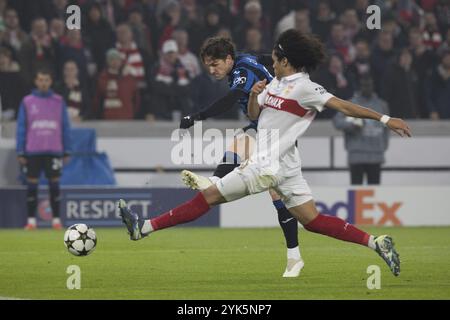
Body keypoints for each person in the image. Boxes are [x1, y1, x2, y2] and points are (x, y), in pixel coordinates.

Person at [119, 29, 412, 277]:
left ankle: (143, 227)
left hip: (265, 164)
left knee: (207, 197)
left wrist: (386, 120)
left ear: (286, 61)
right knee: (312, 220)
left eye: (274, 59)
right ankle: (376, 242)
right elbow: (254, 113)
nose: (270, 63)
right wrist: (256, 95)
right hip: (286, 165)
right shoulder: (275, 83)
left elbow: (345, 106)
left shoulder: (306, 88)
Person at [177, 36, 304, 278]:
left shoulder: (242, 70)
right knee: (241, 141)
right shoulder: (246, 59)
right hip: (265, 128)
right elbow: (265, 59)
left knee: (280, 195)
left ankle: (294, 256)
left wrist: (196, 117)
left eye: (215, 64)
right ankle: (214, 181)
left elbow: (233, 97)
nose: (212, 70)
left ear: (228, 59)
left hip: (279, 133)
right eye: (208, 66)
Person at [16, 68, 72, 230]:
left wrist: (67, 149)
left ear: (51, 82)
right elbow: (21, 127)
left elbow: (65, 126)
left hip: (54, 150)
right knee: (32, 184)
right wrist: (20, 150)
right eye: (40, 80)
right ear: (36, 81)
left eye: (46, 80)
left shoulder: (59, 101)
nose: (43, 83)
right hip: (33, 150)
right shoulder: (27, 101)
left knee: (54, 185)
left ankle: (56, 220)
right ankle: (31, 221)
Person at [333, 75, 390, 185]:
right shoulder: (351, 104)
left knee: (374, 193)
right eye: (364, 85)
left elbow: (386, 128)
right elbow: (337, 121)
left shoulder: (382, 105)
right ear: (360, 87)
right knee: (356, 192)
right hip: (356, 154)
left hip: (375, 154)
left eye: (369, 85)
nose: (367, 88)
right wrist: (352, 125)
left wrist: (383, 146)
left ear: (373, 86)